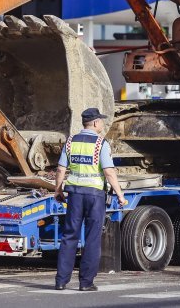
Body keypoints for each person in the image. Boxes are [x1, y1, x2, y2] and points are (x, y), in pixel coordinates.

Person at [53, 108, 128, 292]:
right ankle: (86, 283)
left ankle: (61, 281)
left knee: (69, 236)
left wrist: (58, 190)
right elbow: (109, 171)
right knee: (92, 238)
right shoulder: (101, 143)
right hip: (95, 196)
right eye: (101, 121)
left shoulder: (70, 142)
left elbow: (61, 169)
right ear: (95, 123)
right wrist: (120, 194)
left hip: (75, 195)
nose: (102, 123)